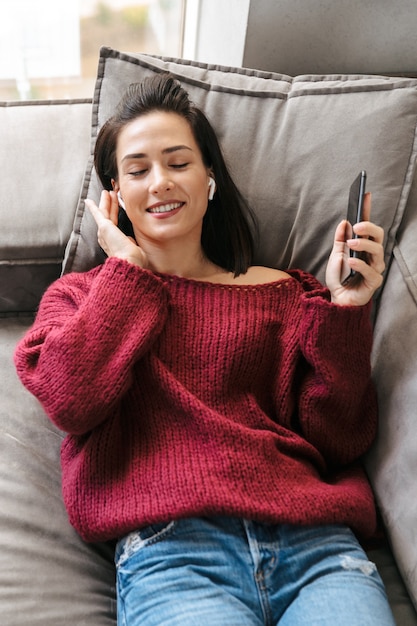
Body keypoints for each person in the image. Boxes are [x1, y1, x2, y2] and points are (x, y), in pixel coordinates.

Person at [14, 73, 394, 626]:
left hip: (316, 545)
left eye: (178, 162)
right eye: (138, 170)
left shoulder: (288, 292)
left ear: (209, 177)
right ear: (114, 196)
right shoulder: (79, 299)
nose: (161, 182)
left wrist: (346, 310)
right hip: (174, 556)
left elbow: (340, 440)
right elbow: (73, 402)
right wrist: (126, 273)